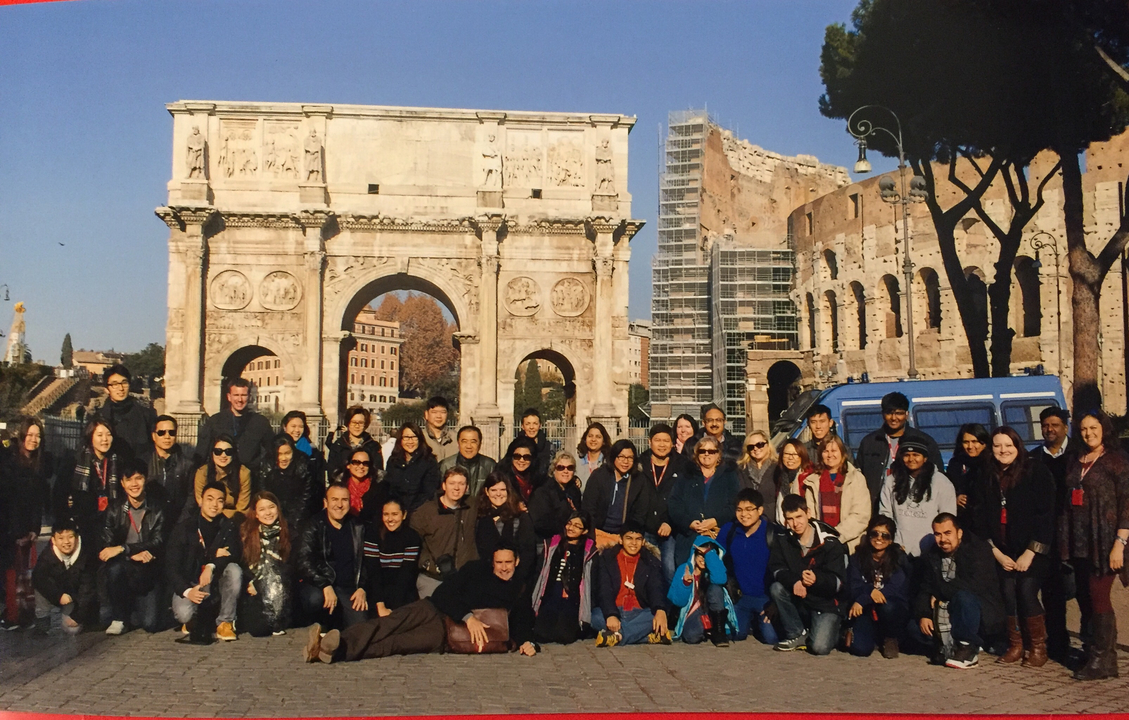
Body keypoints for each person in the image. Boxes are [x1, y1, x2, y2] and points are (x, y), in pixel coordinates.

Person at [304, 544, 537, 663]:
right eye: (499, 562)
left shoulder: (519, 590)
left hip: (445, 636)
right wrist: (469, 618)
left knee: (395, 644)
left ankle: (332, 651)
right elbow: (445, 593)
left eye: (509, 562)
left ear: (516, 561)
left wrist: (529, 643)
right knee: (387, 624)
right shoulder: (475, 570)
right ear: (492, 561)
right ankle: (333, 643)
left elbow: (523, 623)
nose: (504, 567)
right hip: (433, 608)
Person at [972, 427, 1055, 668]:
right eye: (997, 446)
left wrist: (1031, 551)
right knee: (1007, 593)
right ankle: (1016, 644)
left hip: (1033, 548)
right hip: (1001, 548)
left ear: (1017, 446)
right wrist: (995, 552)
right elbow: (978, 517)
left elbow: (1046, 515)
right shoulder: (986, 474)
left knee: (1027, 591)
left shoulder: (1035, 471)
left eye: (1008, 445)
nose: (1003, 450)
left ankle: (1038, 646)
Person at [1059, 411, 1129, 680]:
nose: (1088, 433)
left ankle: (1103, 659)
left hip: (1107, 539)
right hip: (1080, 538)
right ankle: (1098, 652)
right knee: (1086, 595)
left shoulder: (1117, 461)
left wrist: (1119, 544)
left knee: (1098, 593)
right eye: (1084, 429)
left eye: (1094, 428)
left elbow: (1126, 504)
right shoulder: (1076, 459)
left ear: (1104, 429)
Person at [914, 513, 1005, 669]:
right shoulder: (933, 554)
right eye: (938, 534)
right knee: (914, 630)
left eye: (948, 533)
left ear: (959, 533)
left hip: (980, 610)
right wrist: (924, 614)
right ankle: (947, 646)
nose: (943, 539)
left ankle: (967, 648)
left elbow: (973, 585)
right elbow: (925, 586)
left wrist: (939, 593)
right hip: (946, 609)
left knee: (964, 598)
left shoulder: (978, 549)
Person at [768, 494, 848, 655]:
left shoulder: (830, 542)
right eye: (790, 519)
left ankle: (838, 629)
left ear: (808, 513)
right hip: (800, 598)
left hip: (826, 603)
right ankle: (796, 632)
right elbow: (776, 569)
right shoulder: (783, 538)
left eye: (799, 516)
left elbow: (839, 582)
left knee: (819, 648)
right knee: (776, 588)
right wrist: (795, 582)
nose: (795, 523)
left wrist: (817, 580)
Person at [166, 481, 243, 643]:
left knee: (234, 570)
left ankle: (225, 621)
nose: (214, 504)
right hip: (191, 581)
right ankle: (193, 619)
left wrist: (211, 565)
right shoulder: (185, 527)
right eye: (210, 499)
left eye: (220, 500)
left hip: (215, 581)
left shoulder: (228, 526)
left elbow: (234, 553)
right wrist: (187, 591)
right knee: (184, 614)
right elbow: (172, 567)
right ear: (200, 501)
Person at [99, 458, 167, 635]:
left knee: (150, 624)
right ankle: (120, 617)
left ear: (145, 479)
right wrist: (129, 554)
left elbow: (158, 542)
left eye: (138, 478)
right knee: (114, 570)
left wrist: (125, 549)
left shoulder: (157, 509)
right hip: (123, 568)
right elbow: (107, 547)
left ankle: (135, 607)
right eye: (128, 480)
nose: (134, 484)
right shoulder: (114, 509)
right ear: (122, 483)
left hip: (148, 571)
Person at [1030, 406, 1074, 662]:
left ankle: (1093, 644)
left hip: (1074, 531)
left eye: (1055, 425)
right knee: (1051, 592)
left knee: (1081, 591)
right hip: (1047, 533)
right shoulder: (1035, 459)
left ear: (1065, 428)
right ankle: (1058, 644)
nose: (1049, 430)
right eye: (1045, 425)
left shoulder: (1077, 455)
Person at [296, 484, 369, 630]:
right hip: (321, 585)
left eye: (344, 500)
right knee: (315, 600)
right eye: (334, 499)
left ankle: (338, 620)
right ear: (326, 502)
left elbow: (367, 561)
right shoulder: (314, 525)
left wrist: (362, 588)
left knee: (361, 628)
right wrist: (324, 584)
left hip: (348, 588)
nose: (340, 505)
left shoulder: (358, 526)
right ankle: (319, 623)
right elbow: (304, 560)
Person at [2, 417, 52, 628]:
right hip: (8, 526)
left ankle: (24, 613)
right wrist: (17, 532)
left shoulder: (38, 464)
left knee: (26, 575)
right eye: (30, 435)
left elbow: (37, 502)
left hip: (26, 527)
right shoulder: (8, 461)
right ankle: (12, 614)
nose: (34, 439)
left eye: (38, 435)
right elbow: (7, 500)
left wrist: (34, 529)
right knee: (11, 573)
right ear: (22, 436)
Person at [855, 392, 943, 510]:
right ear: (883, 414)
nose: (894, 418)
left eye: (899, 413)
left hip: (912, 506)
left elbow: (938, 474)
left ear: (907, 414)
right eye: (889, 413)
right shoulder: (870, 442)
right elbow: (858, 476)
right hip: (876, 506)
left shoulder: (922, 441)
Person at [592, 524, 670, 647]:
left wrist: (660, 610)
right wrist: (611, 614)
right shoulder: (607, 559)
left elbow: (656, 587)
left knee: (656, 617)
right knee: (594, 617)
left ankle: (618, 636)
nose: (633, 543)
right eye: (629, 538)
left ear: (643, 542)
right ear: (620, 540)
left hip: (639, 612)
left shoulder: (650, 561)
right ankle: (644, 636)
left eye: (638, 539)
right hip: (614, 609)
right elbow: (604, 589)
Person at [669, 436, 740, 566]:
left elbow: (734, 505)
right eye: (702, 451)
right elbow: (674, 504)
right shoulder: (686, 475)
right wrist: (689, 523)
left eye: (711, 451)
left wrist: (715, 521)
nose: (707, 454)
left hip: (718, 536)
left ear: (718, 454)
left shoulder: (729, 475)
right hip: (689, 538)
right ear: (697, 454)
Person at [717, 489, 777, 644]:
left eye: (749, 509)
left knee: (771, 638)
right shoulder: (729, 531)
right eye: (739, 510)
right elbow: (716, 559)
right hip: (739, 597)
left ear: (760, 510)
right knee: (736, 634)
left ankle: (758, 622)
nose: (744, 514)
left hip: (765, 598)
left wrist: (776, 603)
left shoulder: (772, 533)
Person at [879, 439, 958, 557]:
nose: (911, 459)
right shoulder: (892, 481)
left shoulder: (941, 482)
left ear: (925, 458)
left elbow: (947, 518)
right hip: (899, 550)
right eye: (907, 455)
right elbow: (885, 515)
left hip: (931, 551)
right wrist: (893, 544)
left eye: (916, 455)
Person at [846, 515, 910, 658]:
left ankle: (890, 638)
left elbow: (894, 589)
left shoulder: (899, 558)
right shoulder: (857, 558)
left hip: (892, 609)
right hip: (867, 610)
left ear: (891, 539)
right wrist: (870, 592)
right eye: (874, 533)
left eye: (885, 535)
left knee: (888, 606)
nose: (879, 538)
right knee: (861, 649)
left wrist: (864, 598)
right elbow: (853, 586)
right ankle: (869, 635)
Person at [531, 512, 598, 645]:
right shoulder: (552, 545)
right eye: (569, 523)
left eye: (577, 526)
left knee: (565, 636)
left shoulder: (589, 551)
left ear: (584, 531)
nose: (571, 528)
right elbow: (540, 572)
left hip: (572, 599)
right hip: (551, 595)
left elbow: (591, 582)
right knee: (542, 634)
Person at [410, 467, 477, 598]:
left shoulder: (473, 506)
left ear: (467, 487)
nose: (456, 488)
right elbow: (411, 543)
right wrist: (427, 564)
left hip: (465, 578)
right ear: (444, 486)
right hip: (434, 578)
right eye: (452, 483)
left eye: (461, 484)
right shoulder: (425, 513)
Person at [60, 415, 124, 551]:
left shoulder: (117, 462)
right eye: (100, 435)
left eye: (108, 434)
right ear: (91, 437)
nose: (105, 439)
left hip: (110, 524)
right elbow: (59, 494)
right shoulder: (76, 461)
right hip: (83, 522)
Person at [800, 435, 871, 551]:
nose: (829, 455)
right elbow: (810, 515)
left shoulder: (856, 478)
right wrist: (820, 537)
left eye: (834, 451)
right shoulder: (812, 481)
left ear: (842, 453)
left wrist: (836, 535)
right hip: (820, 544)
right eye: (825, 451)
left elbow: (861, 515)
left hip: (848, 544)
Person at [238, 492, 293, 637]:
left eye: (271, 507)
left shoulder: (288, 531)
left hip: (282, 586)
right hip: (253, 586)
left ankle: (280, 617)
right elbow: (242, 563)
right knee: (258, 630)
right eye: (262, 509)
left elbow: (291, 565)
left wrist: (262, 583)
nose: (268, 513)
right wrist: (253, 582)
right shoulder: (246, 533)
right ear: (255, 513)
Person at [641, 424, 689, 585]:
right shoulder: (640, 463)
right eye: (657, 440)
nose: (662, 445)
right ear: (649, 442)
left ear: (672, 443)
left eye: (666, 441)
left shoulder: (682, 465)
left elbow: (684, 498)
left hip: (670, 529)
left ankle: (672, 608)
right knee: (647, 570)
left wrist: (669, 521)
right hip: (645, 527)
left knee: (669, 568)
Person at [583, 439, 652, 550]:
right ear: (614, 457)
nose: (625, 461)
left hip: (624, 535)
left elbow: (640, 513)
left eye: (630, 458)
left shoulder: (639, 480)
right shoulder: (599, 476)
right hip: (598, 532)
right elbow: (588, 508)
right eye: (621, 457)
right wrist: (593, 534)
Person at [32, 518, 97, 635]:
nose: (66, 542)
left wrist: (78, 616)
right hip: (57, 593)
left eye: (70, 537)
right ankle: (42, 619)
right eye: (61, 538)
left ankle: (85, 618)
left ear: (77, 537)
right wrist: (58, 596)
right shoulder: (47, 555)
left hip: (75, 597)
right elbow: (38, 578)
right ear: (53, 540)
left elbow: (88, 590)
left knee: (72, 630)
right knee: (40, 584)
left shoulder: (87, 556)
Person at [669, 535, 737, 646]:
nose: (704, 559)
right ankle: (708, 630)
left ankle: (719, 633)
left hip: (713, 610)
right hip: (693, 611)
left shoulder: (714, 571)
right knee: (691, 636)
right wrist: (686, 584)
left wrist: (709, 554)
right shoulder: (684, 569)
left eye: (708, 556)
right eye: (701, 555)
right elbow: (678, 601)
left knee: (715, 588)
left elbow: (720, 579)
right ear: (694, 554)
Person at [195, 378, 274, 469]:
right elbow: (202, 452)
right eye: (236, 395)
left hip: (251, 476)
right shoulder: (215, 421)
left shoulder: (260, 422)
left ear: (249, 396)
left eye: (243, 395)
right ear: (229, 397)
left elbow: (272, 450)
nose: (240, 399)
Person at [363, 499, 421, 616]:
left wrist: (394, 610)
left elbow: (406, 574)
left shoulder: (412, 537)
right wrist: (381, 605)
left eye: (395, 514)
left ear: (404, 515)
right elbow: (373, 573)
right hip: (378, 589)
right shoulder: (372, 535)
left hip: (402, 590)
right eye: (386, 514)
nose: (390, 519)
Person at [474, 474, 536, 575]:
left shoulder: (519, 516)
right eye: (493, 490)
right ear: (486, 491)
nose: (498, 494)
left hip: (515, 577)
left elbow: (528, 551)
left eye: (502, 490)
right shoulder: (479, 517)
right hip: (484, 577)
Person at [144, 415, 195, 526]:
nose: (167, 436)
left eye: (171, 433)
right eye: (161, 433)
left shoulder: (187, 465)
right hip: (148, 523)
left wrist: (181, 522)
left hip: (176, 523)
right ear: (153, 436)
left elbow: (191, 497)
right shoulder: (144, 462)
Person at [99, 364, 157, 459]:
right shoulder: (99, 417)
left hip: (140, 470)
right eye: (114, 384)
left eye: (124, 383)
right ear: (106, 389)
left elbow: (154, 449)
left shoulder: (146, 415)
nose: (121, 388)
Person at [257, 435, 315, 530]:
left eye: (287, 453)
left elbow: (306, 498)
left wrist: (294, 522)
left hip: (299, 514)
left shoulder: (304, 464)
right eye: (279, 454)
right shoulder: (266, 465)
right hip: (273, 512)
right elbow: (264, 494)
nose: (283, 458)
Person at [383, 423, 440, 514]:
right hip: (397, 512)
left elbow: (429, 491)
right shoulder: (393, 461)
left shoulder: (429, 461)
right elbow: (389, 488)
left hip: (420, 512)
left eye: (414, 437)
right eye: (406, 437)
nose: (410, 441)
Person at [528, 451, 583, 544]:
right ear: (553, 470)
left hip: (570, 540)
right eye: (561, 467)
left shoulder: (574, 492)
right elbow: (541, 523)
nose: (566, 471)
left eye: (570, 468)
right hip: (546, 541)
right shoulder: (543, 492)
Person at [193, 435, 252, 521]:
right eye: (218, 451)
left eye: (228, 451)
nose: (223, 455)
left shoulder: (244, 473)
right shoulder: (202, 473)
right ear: (212, 453)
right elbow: (202, 503)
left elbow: (242, 508)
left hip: (235, 519)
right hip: (208, 516)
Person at [946, 423, 991, 520]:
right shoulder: (956, 463)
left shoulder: (992, 463)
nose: (970, 446)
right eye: (966, 442)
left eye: (974, 441)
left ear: (984, 442)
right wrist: (955, 497)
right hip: (964, 517)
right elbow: (947, 487)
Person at [326, 406, 385, 479]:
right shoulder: (338, 446)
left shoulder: (374, 446)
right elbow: (332, 474)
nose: (357, 426)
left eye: (360, 423)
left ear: (365, 425)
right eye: (354, 422)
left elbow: (379, 473)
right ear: (348, 423)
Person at [438, 426, 496, 498]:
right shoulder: (446, 465)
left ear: (480, 444)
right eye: (464, 441)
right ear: (458, 443)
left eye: (473, 442)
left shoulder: (490, 465)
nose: (469, 446)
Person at [336, 448, 385, 527]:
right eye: (356, 462)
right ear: (348, 465)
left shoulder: (379, 488)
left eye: (365, 463)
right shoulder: (339, 487)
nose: (361, 466)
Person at [737, 430, 778, 520]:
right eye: (751, 447)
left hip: (772, 520)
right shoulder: (741, 469)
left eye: (760, 444)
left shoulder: (778, 467)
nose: (755, 449)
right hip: (747, 520)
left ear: (768, 445)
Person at [772, 440, 814, 524]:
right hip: (784, 528)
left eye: (795, 454)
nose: (790, 458)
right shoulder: (781, 476)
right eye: (787, 454)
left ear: (802, 456)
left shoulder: (809, 478)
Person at [499, 435, 545, 503]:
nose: (521, 460)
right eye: (517, 456)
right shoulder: (501, 477)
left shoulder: (540, 478)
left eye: (526, 457)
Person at [575, 422, 611, 491]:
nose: (593, 439)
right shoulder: (577, 462)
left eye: (598, 437)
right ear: (585, 439)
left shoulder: (608, 462)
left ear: (604, 441)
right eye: (590, 436)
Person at [421, 396, 457, 464]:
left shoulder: (456, 438)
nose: (439, 416)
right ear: (426, 414)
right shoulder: (420, 437)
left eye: (443, 412)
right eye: (434, 412)